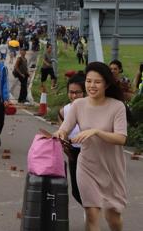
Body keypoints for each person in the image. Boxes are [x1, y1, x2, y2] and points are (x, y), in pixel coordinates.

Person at [54, 62, 127, 231]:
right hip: (87, 166)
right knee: (92, 213)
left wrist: (96, 132)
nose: (91, 86)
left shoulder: (117, 107)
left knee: (112, 215)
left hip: (111, 168)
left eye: (97, 82)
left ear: (107, 84)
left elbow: (121, 138)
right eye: (88, 81)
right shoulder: (78, 105)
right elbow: (65, 128)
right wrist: (60, 134)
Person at [57, 72, 85, 206]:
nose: (74, 96)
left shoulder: (94, 109)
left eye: (77, 92)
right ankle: (90, 210)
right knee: (76, 190)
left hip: (92, 152)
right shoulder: (64, 111)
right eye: (71, 92)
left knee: (93, 188)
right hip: (74, 152)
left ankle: (92, 212)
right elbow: (62, 133)